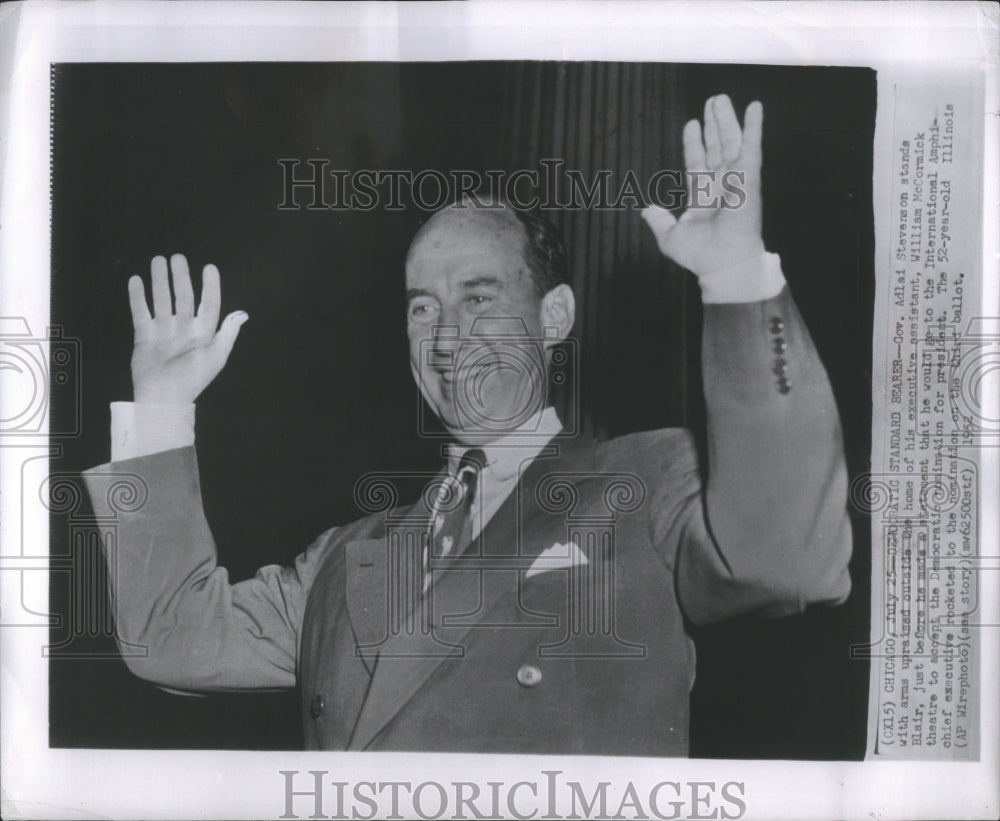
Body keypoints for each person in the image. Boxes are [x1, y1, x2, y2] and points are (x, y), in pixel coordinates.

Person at [83, 94, 852, 755]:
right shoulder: (345, 559)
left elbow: (788, 562)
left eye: (478, 298)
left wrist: (737, 278)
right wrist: (160, 407)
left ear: (553, 317)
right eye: (423, 307)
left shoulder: (642, 484)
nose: (445, 337)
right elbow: (171, 639)